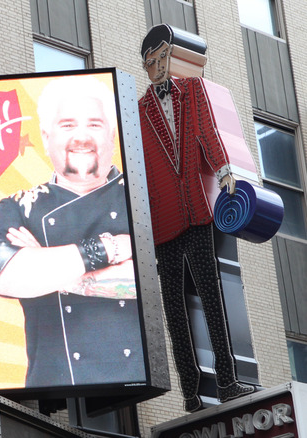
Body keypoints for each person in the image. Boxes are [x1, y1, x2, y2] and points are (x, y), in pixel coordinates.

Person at [0, 75, 145, 388]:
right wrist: (109, 250)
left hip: (132, 378)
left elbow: (148, 279)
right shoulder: (19, 206)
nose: (82, 136)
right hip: (50, 384)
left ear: (112, 135)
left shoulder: (141, 200)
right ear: (46, 135)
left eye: (94, 124)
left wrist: (44, 269)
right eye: (68, 125)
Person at [139, 24, 255, 412]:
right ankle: (191, 394)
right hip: (162, 219)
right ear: (145, 66)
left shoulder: (193, 91)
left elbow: (207, 132)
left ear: (171, 56)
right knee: (174, 309)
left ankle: (227, 381)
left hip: (196, 207)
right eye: (149, 62)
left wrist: (224, 169)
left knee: (212, 297)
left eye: (161, 58)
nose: (156, 67)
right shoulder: (138, 109)